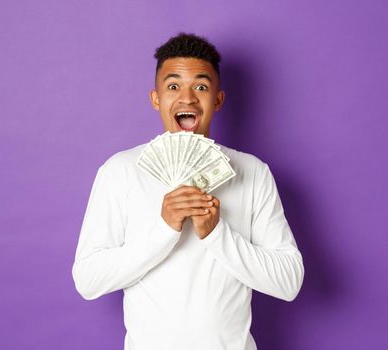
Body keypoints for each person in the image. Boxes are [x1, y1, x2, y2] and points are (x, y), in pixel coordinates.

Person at [72, 33, 304, 350]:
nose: (188, 98)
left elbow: (288, 282)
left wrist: (216, 233)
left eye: (201, 86)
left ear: (218, 99)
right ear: (156, 99)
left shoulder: (253, 172)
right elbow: (88, 280)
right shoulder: (120, 171)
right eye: (173, 86)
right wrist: (164, 229)